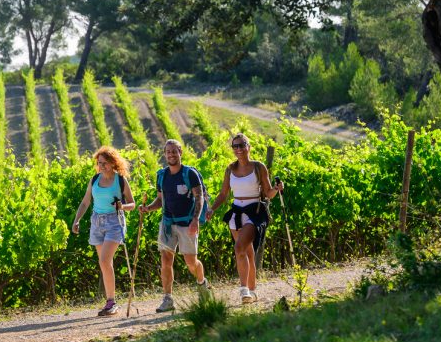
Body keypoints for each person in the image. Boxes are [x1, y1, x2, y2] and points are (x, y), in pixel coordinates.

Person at [139, 139, 211, 312]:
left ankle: (202, 283)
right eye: (168, 152)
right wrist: (148, 208)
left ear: (180, 152)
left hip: (187, 223)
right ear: (164, 154)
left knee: (191, 263)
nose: (171, 154)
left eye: (174, 151)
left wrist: (195, 220)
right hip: (167, 223)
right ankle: (168, 298)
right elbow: (160, 199)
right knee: (165, 260)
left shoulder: (189, 173)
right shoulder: (162, 175)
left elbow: (199, 197)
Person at [210, 133, 283, 304]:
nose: (239, 149)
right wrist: (212, 209)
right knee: (247, 252)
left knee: (239, 247)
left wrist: (277, 189)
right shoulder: (230, 169)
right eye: (235, 146)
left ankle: (243, 290)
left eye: (242, 145)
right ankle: (252, 290)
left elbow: (267, 193)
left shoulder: (258, 167)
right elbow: (223, 194)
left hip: (254, 211)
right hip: (236, 212)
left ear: (248, 147)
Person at [72, 146, 136, 316]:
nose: (101, 166)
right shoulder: (94, 180)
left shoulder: (120, 180)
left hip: (115, 222)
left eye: (105, 163)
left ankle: (111, 302)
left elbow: (132, 203)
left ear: (113, 163)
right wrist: (77, 220)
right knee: (105, 263)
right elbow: (85, 202)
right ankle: (110, 301)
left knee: (104, 261)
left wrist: (122, 206)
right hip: (97, 222)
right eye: (99, 163)